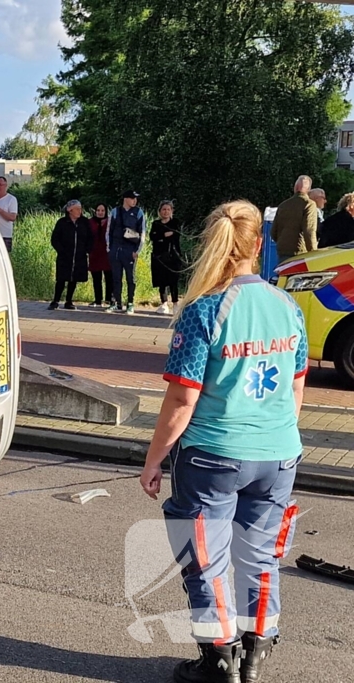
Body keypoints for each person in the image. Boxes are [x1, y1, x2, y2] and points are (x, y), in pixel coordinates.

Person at [140, 200, 307, 683]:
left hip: (213, 453)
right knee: (259, 556)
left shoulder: (205, 310)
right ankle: (255, 657)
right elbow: (295, 387)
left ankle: (218, 662)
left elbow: (180, 401)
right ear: (259, 245)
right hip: (277, 454)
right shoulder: (286, 306)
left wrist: (154, 459)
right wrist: (274, 434)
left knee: (205, 558)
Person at [107, 190, 146, 315]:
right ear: (125, 199)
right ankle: (116, 303)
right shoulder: (115, 212)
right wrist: (109, 248)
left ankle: (130, 303)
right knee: (116, 277)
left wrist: (137, 250)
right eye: (132, 198)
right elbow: (109, 231)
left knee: (131, 278)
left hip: (130, 251)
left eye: (136, 198)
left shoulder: (139, 212)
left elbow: (143, 233)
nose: (134, 200)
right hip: (116, 250)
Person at [49, 199, 92, 310]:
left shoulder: (84, 222)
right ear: (70, 210)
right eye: (77, 209)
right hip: (65, 256)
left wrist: (87, 249)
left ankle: (69, 301)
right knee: (61, 279)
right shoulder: (62, 222)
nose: (80, 211)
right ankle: (55, 301)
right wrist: (61, 251)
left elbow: (90, 238)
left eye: (80, 208)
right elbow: (55, 239)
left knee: (74, 279)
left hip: (79, 256)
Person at [270, 176, 317, 261]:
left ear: (295, 188)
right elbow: (309, 230)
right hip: (300, 252)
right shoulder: (309, 204)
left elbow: (273, 231)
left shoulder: (283, 205)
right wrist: (314, 253)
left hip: (283, 250)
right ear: (309, 189)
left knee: (284, 273)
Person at [150, 200, 184, 315]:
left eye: (168, 209)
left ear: (172, 211)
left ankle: (175, 303)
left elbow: (175, 234)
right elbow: (153, 236)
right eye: (163, 209)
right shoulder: (155, 223)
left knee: (173, 280)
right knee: (161, 280)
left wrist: (161, 237)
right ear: (159, 211)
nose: (166, 212)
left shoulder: (175, 222)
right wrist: (164, 235)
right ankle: (164, 303)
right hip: (159, 256)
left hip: (173, 255)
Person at [88, 203, 113, 307]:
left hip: (107, 253)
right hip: (94, 253)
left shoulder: (110, 222)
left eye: (102, 210)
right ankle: (98, 300)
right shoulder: (90, 222)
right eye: (98, 210)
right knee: (96, 278)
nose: (100, 212)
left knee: (109, 277)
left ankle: (109, 299)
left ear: (106, 211)